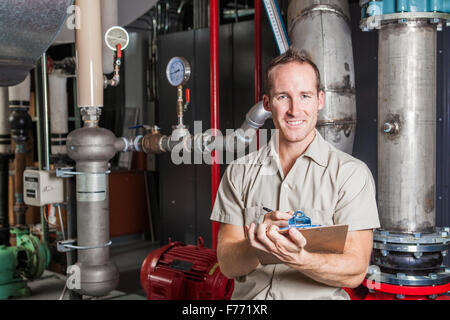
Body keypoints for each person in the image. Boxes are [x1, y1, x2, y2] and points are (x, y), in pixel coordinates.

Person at [210, 47, 380, 300]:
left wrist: (301, 259)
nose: (294, 110)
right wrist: (257, 245)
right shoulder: (239, 173)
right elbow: (228, 264)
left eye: (305, 96)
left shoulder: (351, 175)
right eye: (282, 97)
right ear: (267, 103)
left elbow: (354, 270)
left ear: (320, 100)